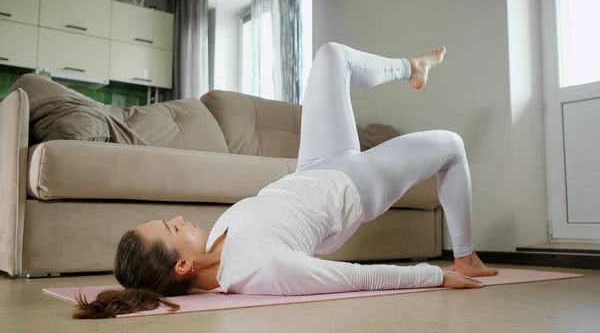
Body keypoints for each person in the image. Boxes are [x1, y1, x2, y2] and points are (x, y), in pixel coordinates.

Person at [74, 42, 499, 319]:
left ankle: (413, 66)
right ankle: (465, 256)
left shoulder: (215, 241)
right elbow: (355, 278)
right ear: (182, 265)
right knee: (452, 146)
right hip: (355, 188)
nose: (180, 219)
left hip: (316, 166)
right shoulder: (263, 270)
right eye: (171, 229)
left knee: (332, 55)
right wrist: (434, 276)